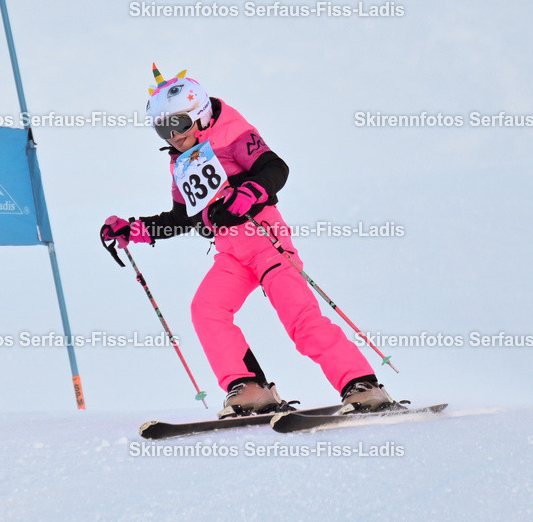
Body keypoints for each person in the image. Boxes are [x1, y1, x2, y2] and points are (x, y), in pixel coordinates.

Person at [101, 65, 393, 417]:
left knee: (299, 319)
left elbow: (275, 169)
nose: (173, 136)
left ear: (199, 114)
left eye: (177, 124)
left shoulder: (233, 133)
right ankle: (250, 388)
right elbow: (182, 217)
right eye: (161, 129)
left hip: (266, 240)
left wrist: (249, 192)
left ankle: (363, 385)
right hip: (231, 253)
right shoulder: (180, 163)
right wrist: (133, 229)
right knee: (206, 309)